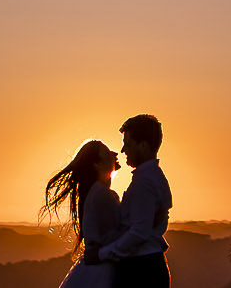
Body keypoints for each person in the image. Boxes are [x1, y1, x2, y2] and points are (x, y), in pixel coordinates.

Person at [92, 113, 173, 288]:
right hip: (146, 266)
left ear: (143, 146)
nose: (123, 150)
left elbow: (139, 232)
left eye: (128, 144)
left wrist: (102, 254)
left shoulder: (145, 183)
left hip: (141, 271)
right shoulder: (154, 178)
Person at [42, 139, 125, 287]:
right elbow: (122, 232)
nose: (114, 154)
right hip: (102, 272)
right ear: (97, 164)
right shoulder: (103, 194)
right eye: (107, 153)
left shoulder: (93, 193)